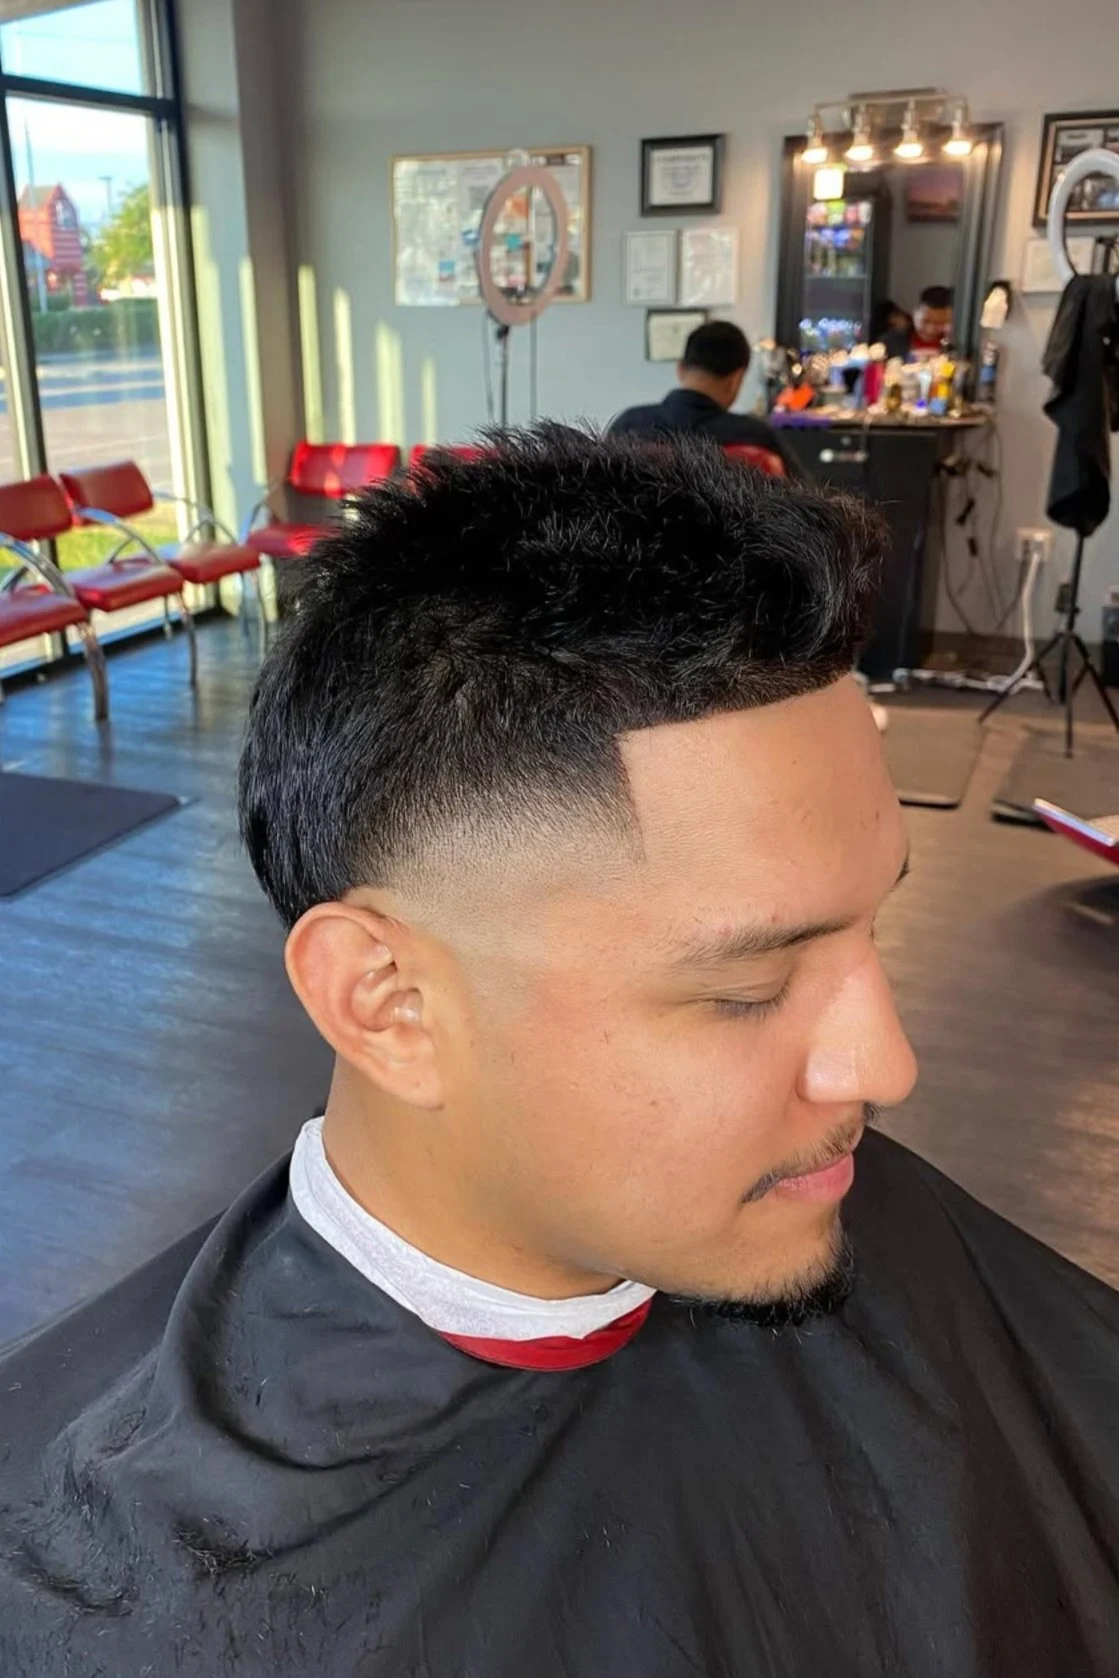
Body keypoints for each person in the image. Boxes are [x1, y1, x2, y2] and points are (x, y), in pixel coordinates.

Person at [2, 429, 1119, 1677]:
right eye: (749, 989)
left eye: (872, 931)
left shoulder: (861, 1214)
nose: (885, 1065)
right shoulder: (89, 1600)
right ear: (386, 1003)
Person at [609, 318, 797, 473]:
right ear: (736, 379)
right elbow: (802, 499)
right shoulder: (756, 437)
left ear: (680, 368)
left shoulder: (627, 425)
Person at [911, 282, 954, 352]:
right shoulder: (896, 338)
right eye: (925, 321)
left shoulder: (954, 343)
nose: (930, 330)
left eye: (940, 323)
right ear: (915, 313)